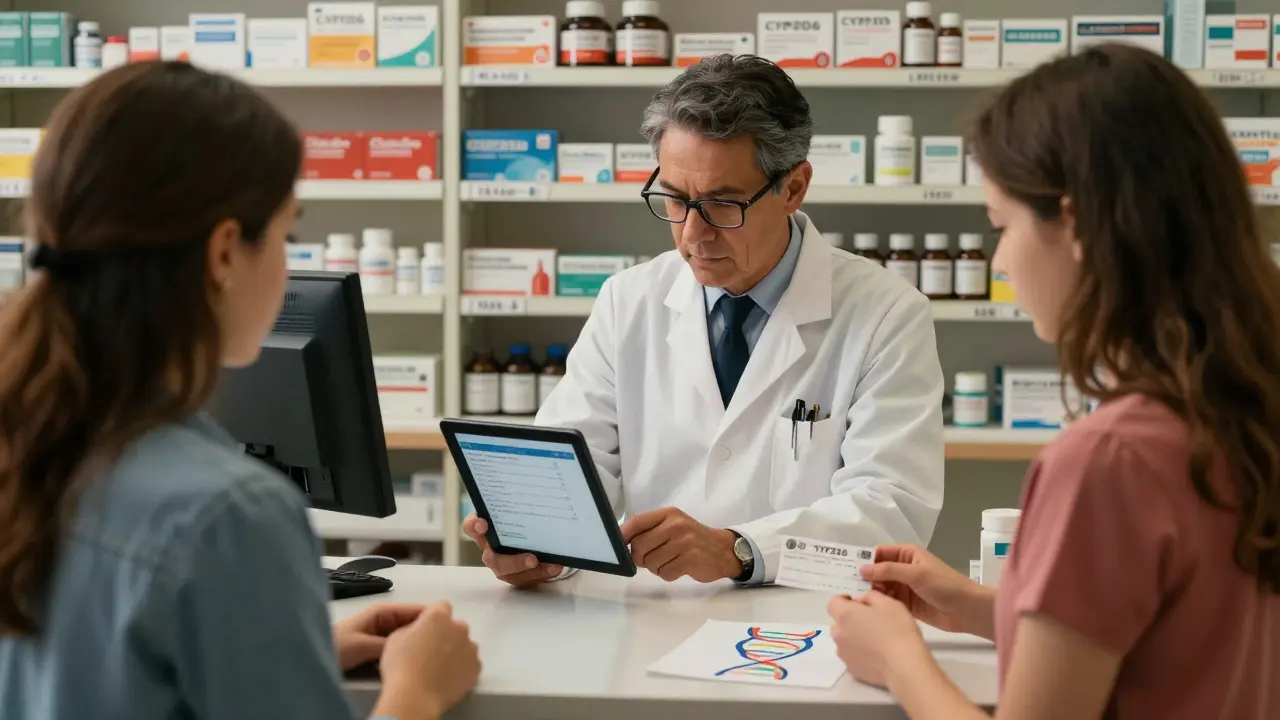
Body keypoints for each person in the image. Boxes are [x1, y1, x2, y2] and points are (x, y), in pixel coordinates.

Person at [0, 62, 479, 720]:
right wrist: (416, 691)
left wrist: (285, 647)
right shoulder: (229, 514)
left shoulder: (26, 446)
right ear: (225, 252)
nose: (289, 260)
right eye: (287, 234)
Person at [827, 44, 1280, 719]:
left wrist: (898, 658)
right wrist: (990, 608)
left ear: (1072, 222)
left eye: (1002, 226)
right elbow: (1175, 640)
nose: (1001, 260)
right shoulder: (1242, 405)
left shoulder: (1107, 462)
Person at [465, 54, 945, 587]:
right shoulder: (629, 300)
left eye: (722, 204)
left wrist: (740, 550)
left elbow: (890, 510)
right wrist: (537, 547)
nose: (693, 234)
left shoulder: (886, 314)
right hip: (651, 617)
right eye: (673, 198)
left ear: (793, 188)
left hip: (804, 624)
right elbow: (572, 469)